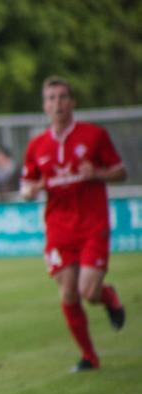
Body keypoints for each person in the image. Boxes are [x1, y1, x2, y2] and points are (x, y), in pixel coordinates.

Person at [20, 76, 126, 372]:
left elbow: (121, 172)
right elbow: (26, 187)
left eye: (62, 97)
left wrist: (98, 174)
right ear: (45, 105)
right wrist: (31, 191)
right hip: (58, 228)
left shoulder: (94, 135)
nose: (57, 103)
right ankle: (89, 357)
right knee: (68, 293)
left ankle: (108, 296)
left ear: (72, 102)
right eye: (51, 98)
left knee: (88, 292)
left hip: (92, 223)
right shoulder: (37, 145)